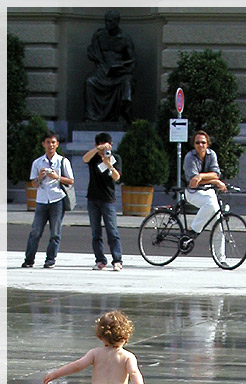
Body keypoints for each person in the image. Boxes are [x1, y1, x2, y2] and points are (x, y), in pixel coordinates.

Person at [21, 131, 74, 269]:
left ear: (57, 144)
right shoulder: (38, 162)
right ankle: (29, 259)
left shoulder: (63, 161)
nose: (51, 145)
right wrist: (40, 177)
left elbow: (71, 181)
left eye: (53, 142)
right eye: (48, 142)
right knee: (35, 231)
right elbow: (33, 183)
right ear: (43, 144)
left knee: (55, 232)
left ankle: (50, 259)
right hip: (42, 200)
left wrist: (56, 177)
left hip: (57, 199)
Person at [84, 10, 136, 124]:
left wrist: (124, 70)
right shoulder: (99, 36)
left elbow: (132, 61)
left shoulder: (125, 39)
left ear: (117, 22)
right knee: (90, 82)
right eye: (106, 21)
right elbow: (92, 52)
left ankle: (123, 114)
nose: (107, 24)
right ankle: (91, 116)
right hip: (102, 71)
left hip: (119, 74)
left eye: (110, 21)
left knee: (126, 82)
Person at [83, 132, 124, 271]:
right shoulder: (94, 158)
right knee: (96, 232)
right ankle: (100, 260)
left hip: (108, 199)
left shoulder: (115, 158)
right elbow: (85, 159)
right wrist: (97, 150)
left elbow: (117, 177)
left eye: (108, 146)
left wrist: (109, 165)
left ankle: (117, 260)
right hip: (93, 198)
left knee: (112, 231)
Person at [183, 130, 227, 238]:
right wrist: (213, 180)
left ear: (207, 143)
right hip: (193, 192)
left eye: (203, 142)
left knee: (218, 226)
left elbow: (216, 174)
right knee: (211, 204)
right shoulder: (190, 157)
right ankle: (193, 229)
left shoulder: (211, 155)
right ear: (194, 144)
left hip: (208, 190)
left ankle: (220, 255)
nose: (200, 145)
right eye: (197, 142)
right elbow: (193, 182)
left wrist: (201, 176)